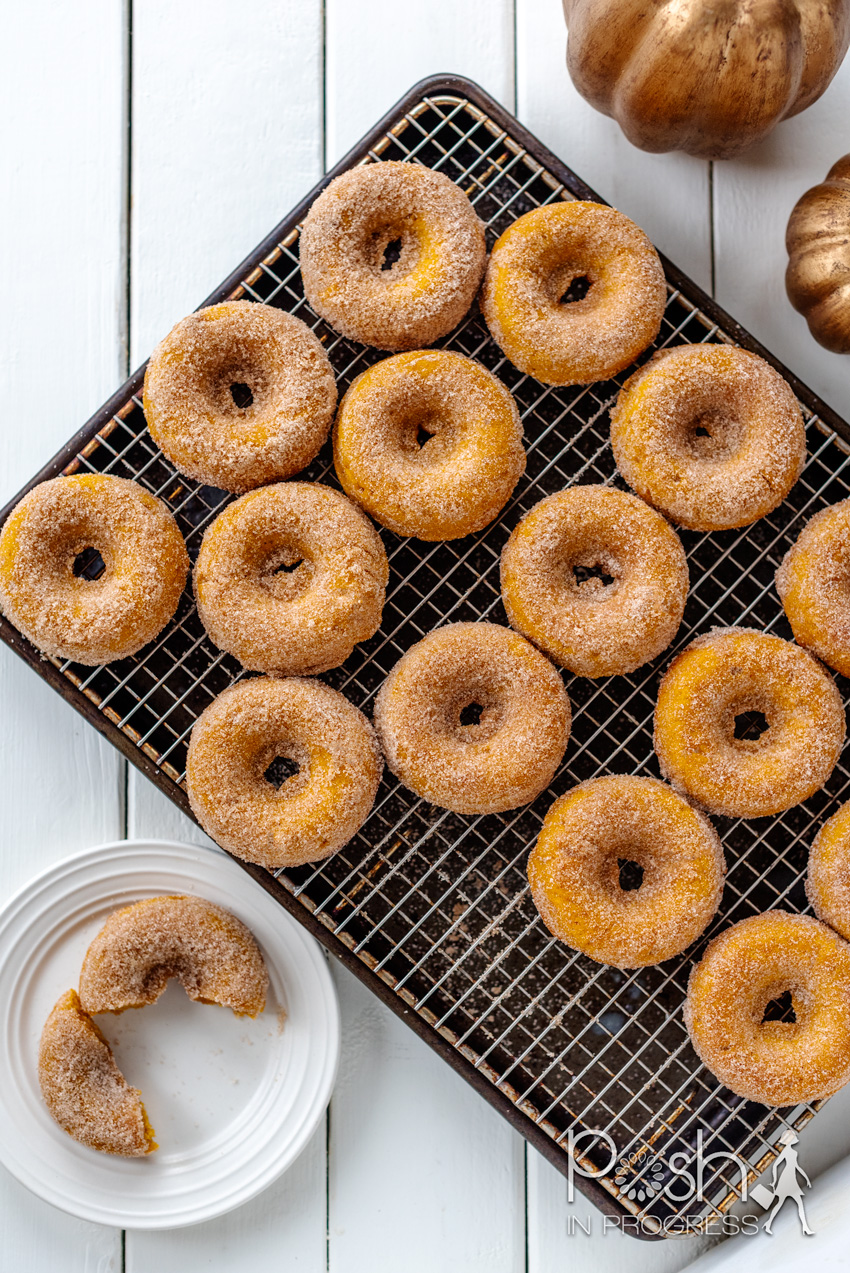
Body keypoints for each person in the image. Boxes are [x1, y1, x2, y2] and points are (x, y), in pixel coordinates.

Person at [763, 1129, 813, 1236]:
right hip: (786, 1179)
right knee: (785, 1203)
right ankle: (804, 1227)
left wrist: (806, 1179)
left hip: (791, 1178)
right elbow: (776, 1165)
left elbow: (797, 1167)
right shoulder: (786, 1152)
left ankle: (804, 1227)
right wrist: (774, 1181)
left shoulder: (793, 1152)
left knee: (790, 1203)